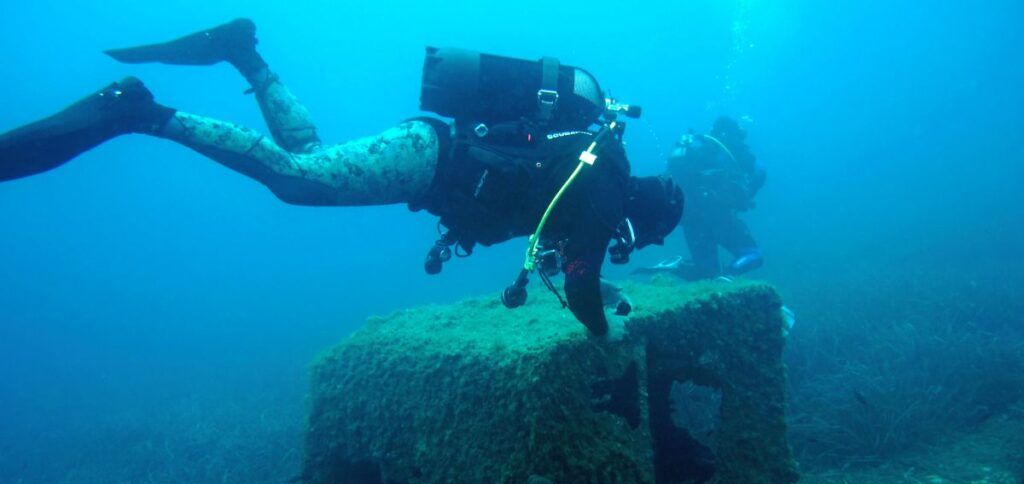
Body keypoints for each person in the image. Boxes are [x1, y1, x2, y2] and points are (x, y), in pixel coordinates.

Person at [0, 19, 682, 337]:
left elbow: (571, 262)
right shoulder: (606, 186)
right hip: (432, 159)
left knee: (314, 157)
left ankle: (246, 57)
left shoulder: (592, 174)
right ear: (647, 216)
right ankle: (141, 112)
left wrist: (596, 287)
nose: (630, 242)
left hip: (429, 160)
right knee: (297, 181)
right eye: (641, 238)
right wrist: (600, 339)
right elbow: (584, 277)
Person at [642, 116, 764, 281]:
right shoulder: (736, 153)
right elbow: (759, 173)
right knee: (753, 254)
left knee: (707, 272)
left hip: (691, 220)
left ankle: (677, 265)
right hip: (721, 218)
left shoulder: (694, 150)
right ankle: (730, 275)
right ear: (735, 134)